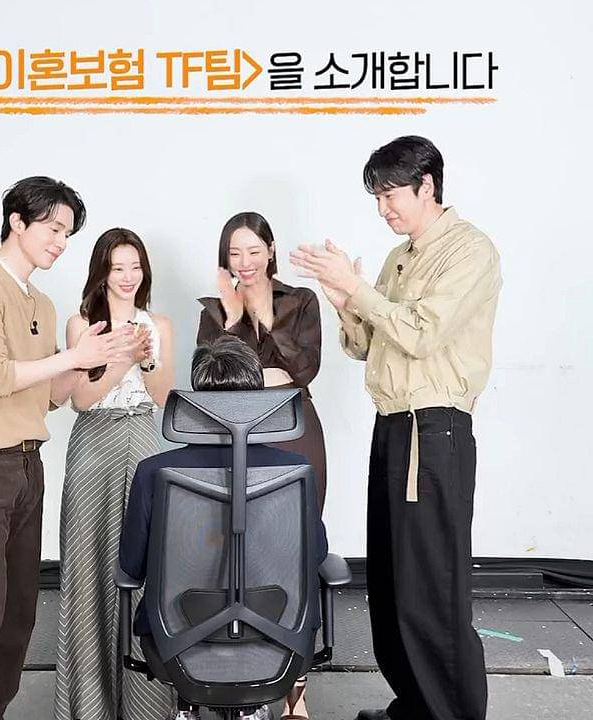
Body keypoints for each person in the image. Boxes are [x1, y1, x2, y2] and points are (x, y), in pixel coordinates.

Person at [291, 136, 502, 720]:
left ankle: (452, 714)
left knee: (431, 587)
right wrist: (343, 299)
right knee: (391, 583)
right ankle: (414, 705)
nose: (383, 208)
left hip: (435, 429)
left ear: (427, 185)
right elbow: (367, 344)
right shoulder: (399, 256)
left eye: (390, 194)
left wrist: (360, 291)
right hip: (394, 426)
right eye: (377, 198)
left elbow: (421, 332)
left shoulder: (469, 250)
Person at [0, 176, 137, 719]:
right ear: (17, 222)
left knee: (17, 619)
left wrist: (99, 357)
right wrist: (72, 358)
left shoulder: (41, 304)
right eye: (53, 228)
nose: (61, 242)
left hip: (27, 467)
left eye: (68, 233)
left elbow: (51, 396)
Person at [119, 335, 328, 720]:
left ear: (198, 399)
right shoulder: (295, 471)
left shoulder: (153, 471)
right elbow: (316, 556)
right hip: (281, 641)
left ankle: (188, 706)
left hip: (176, 644)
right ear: (258, 395)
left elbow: (131, 567)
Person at [54, 228, 175, 720]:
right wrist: (121, 356)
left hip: (144, 438)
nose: (128, 277)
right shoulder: (82, 325)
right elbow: (81, 400)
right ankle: (90, 704)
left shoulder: (159, 324)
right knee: (89, 567)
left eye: (135, 267)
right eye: (117, 267)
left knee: (149, 564)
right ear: (101, 272)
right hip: (94, 444)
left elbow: (164, 397)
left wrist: (146, 359)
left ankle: (146, 703)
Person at [196, 211, 327, 516]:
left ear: (271, 250)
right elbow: (207, 382)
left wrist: (268, 319)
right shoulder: (214, 312)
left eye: (254, 251)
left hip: (294, 422)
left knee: (300, 518)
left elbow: (305, 371)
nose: (245, 262)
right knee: (239, 522)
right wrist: (232, 322)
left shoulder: (300, 300)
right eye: (235, 253)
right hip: (236, 426)